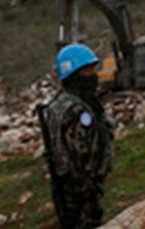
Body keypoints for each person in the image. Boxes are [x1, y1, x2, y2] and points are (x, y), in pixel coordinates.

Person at [38, 43, 114, 229]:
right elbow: (82, 156)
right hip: (80, 190)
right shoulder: (78, 111)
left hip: (67, 186)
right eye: (87, 71)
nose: (93, 76)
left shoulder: (59, 104)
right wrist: (90, 189)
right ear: (73, 75)